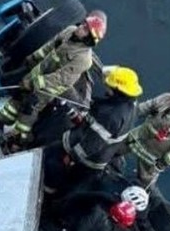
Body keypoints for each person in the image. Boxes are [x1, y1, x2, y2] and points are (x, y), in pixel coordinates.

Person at [0, 10, 108, 143]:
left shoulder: (84, 60)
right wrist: (33, 58)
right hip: (39, 73)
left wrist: (33, 83)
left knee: (30, 106)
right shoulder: (70, 31)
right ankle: (1, 121)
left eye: (85, 28)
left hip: (50, 86)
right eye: (83, 23)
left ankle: (19, 138)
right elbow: (50, 46)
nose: (80, 27)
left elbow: (61, 78)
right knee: (18, 97)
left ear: (90, 38)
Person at [43, 66, 142, 194]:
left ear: (118, 90)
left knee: (52, 163)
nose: (107, 86)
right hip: (92, 149)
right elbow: (95, 126)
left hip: (88, 158)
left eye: (110, 86)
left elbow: (92, 143)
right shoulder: (131, 105)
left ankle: (47, 190)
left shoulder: (112, 115)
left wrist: (71, 157)